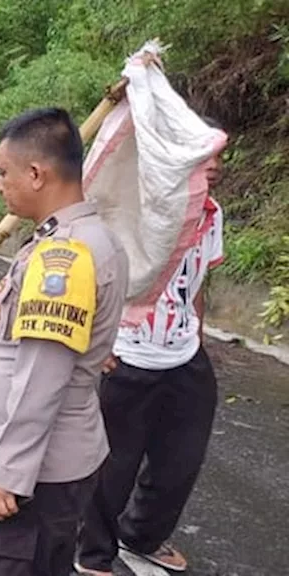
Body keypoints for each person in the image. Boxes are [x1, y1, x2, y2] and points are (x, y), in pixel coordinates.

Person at [0, 108, 129, 576]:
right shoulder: (89, 239)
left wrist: (5, 476)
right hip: (47, 471)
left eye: (3, 173)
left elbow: (40, 378)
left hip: (29, 481)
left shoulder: (64, 258)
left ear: (36, 173)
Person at [74, 118, 228, 576]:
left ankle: (141, 536)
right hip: (126, 354)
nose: (215, 166)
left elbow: (197, 281)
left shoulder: (212, 213)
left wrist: (196, 336)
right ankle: (94, 555)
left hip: (182, 354)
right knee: (113, 465)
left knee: (181, 459)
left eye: (219, 156)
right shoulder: (132, 213)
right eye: (204, 156)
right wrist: (95, 342)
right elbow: (90, 272)